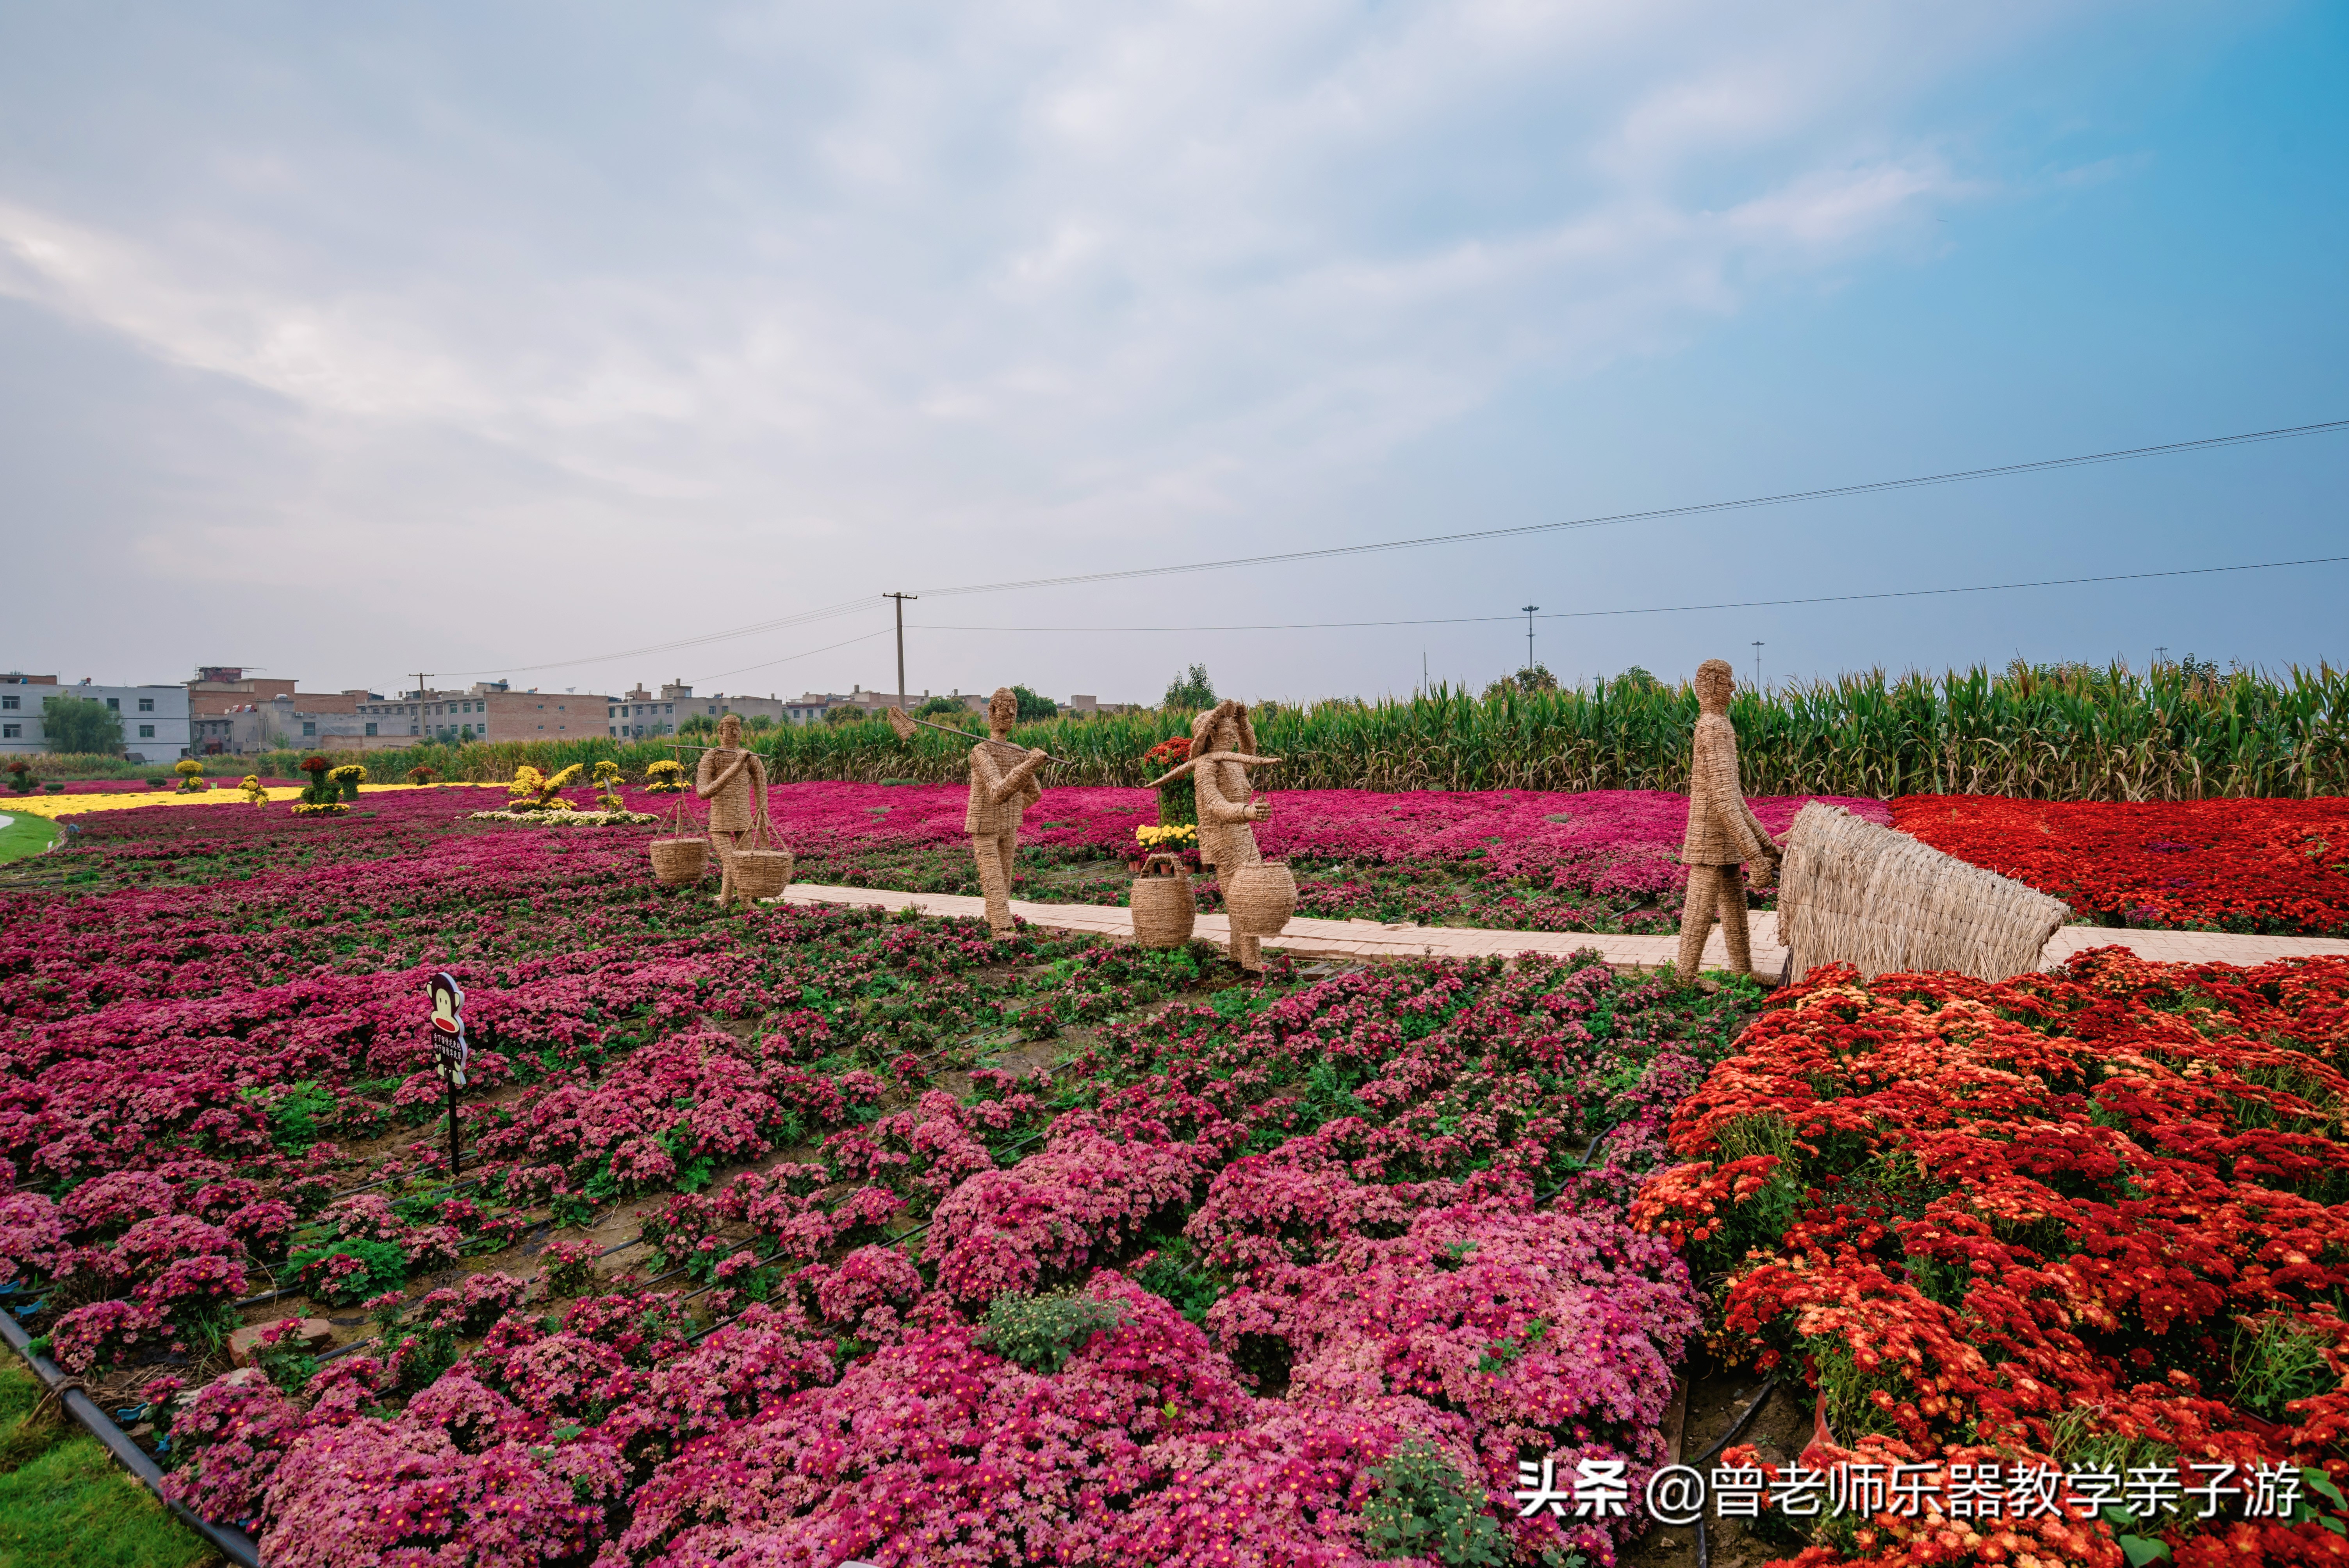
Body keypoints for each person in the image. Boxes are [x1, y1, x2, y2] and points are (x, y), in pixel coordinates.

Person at [1676, 659, 1780, 979]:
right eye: (1727, 681)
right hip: (1710, 837)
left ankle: (1744, 972)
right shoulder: (1713, 727)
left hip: (1726, 838)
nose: (1733, 688)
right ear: (1709, 686)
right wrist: (1756, 857)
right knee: (1700, 911)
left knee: (1735, 909)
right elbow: (1722, 801)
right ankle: (1684, 977)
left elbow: (1735, 799)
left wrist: (1767, 846)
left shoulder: (1719, 725)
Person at [1191, 699, 1275, 971]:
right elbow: (1216, 805)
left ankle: (1239, 953)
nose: (1230, 733)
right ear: (1212, 734)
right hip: (1221, 837)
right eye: (1226, 729)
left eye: (1231, 729)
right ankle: (1252, 959)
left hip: (1242, 834)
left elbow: (1250, 749)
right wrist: (1248, 812)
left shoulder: (1233, 761)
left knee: (1247, 894)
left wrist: (1243, 722)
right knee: (1243, 896)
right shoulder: (1206, 766)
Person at [966, 687, 1048, 937]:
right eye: (1005, 708)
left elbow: (1034, 793)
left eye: (1015, 709)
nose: (1011, 714)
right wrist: (1031, 763)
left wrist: (1014, 807)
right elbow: (998, 792)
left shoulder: (1016, 750)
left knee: (1003, 881)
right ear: (991, 711)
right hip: (984, 825)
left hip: (1008, 825)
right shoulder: (981, 752)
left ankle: (992, 919)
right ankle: (1002, 930)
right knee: (993, 879)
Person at [695, 713, 771, 908]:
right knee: (731, 862)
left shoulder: (749, 757)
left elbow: (761, 783)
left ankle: (742, 901)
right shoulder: (711, 757)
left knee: (744, 863)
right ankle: (726, 902)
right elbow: (703, 792)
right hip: (719, 823)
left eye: (738, 729)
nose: (735, 733)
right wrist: (736, 766)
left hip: (744, 821)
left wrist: (763, 813)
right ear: (721, 732)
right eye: (730, 729)